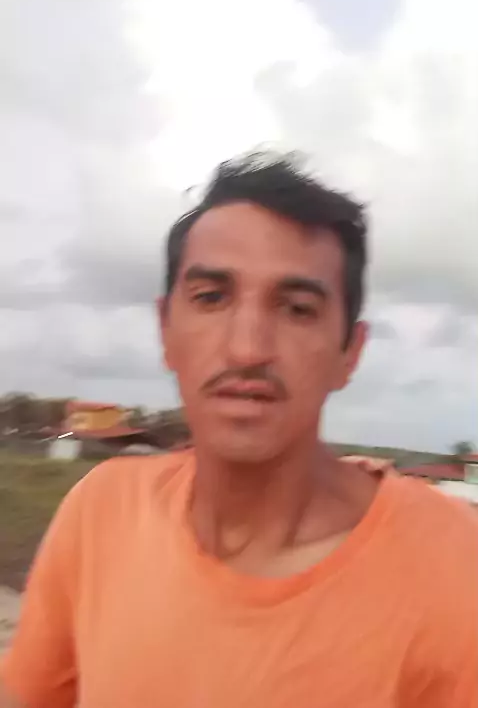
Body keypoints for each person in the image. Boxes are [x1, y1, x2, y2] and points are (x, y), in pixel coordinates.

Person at [1, 152, 477, 708]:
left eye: (297, 309)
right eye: (211, 298)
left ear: (349, 353)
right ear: (166, 330)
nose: (247, 348)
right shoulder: (100, 512)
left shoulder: (456, 569)